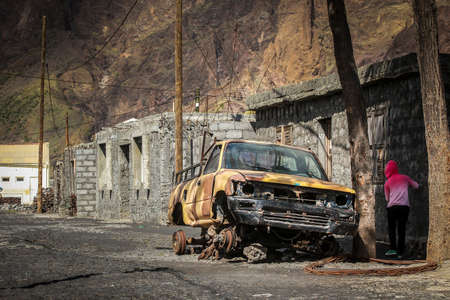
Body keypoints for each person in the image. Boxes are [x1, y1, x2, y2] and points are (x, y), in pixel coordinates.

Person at [384, 160, 419, 258]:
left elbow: (387, 198)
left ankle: (392, 249)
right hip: (404, 207)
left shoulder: (387, 183)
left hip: (392, 208)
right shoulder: (405, 178)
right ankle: (401, 252)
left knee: (391, 229)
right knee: (401, 229)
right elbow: (416, 186)